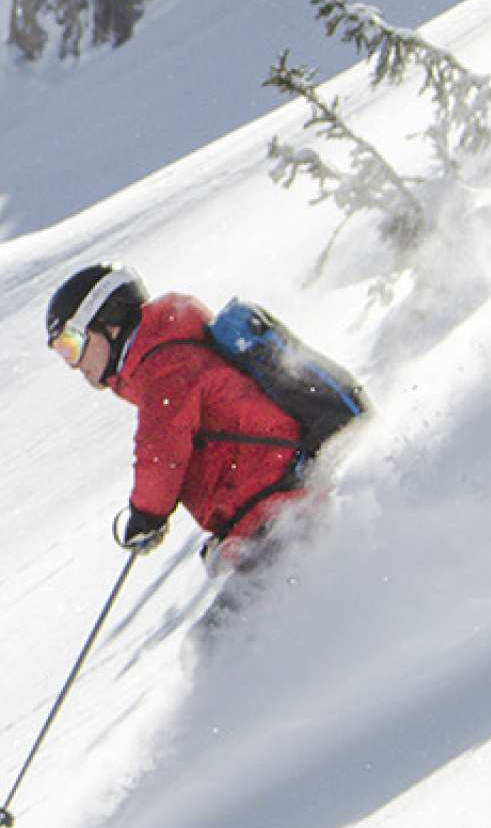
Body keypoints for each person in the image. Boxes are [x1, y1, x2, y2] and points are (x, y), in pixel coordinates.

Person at [43, 263, 320, 614]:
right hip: (270, 511)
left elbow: (161, 448)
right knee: (232, 633)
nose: (73, 364)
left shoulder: (166, 362)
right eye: (61, 354)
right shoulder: (163, 357)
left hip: (278, 506)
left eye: (71, 345)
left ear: (108, 323)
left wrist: (146, 514)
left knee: (224, 638)